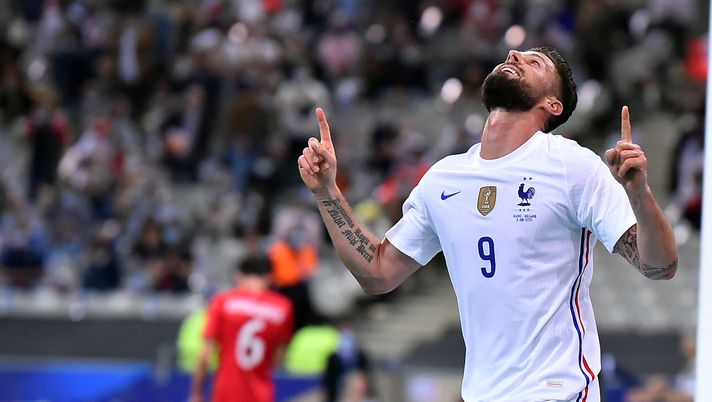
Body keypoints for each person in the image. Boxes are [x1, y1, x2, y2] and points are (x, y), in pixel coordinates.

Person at [297, 46, 677, 402]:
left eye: (535, 63)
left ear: (552, 104)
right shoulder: (444, 178)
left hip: (556, 391)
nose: (514, 54)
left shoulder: (571, 166)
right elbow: (378, 273)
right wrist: (326, 191)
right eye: (517, 54)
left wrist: (639, 195)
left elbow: (659, 266)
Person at [190, 255, 294, 402]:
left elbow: (205, 356)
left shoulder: (223, 302)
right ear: (270, 277)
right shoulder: (282, 308)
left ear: (239, 275)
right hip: (262, 395)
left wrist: (197, 393)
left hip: (226, 394)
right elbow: (278, 358)